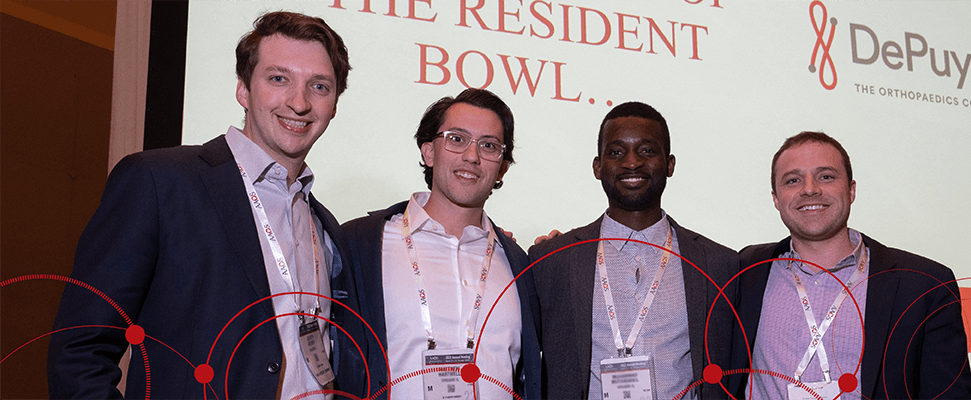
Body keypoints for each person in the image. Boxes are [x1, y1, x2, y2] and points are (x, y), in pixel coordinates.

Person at [47, 11, 355, 399]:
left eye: (319, 86)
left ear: (334, 105)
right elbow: (80, 352)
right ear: (243, 90)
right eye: (279, 79)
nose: (299, 102)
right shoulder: (160, 182)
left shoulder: (323, 225)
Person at [728, 131, 971, 399]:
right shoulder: (744, 272)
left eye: (826, 177)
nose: (810, 189)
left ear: (851, 190)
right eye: (793, 180)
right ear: (776, 198)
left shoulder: (924, 286)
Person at [335, 88, 541, 400]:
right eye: (457, 139)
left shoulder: (518, 264)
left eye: (488, 145)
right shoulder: (360, 245)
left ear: (502, 167)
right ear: (429, 152)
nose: (472, 156)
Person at [529, 102, 738, 399]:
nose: (631, 162)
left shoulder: (718, 264)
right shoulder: (552, 261)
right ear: (598, 167)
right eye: (616, 152)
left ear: (670, 164)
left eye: (647, 150)